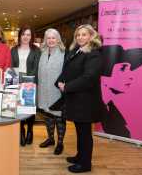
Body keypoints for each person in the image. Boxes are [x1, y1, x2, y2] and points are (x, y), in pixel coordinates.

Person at [50, 24, 103, 173]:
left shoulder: (94, 53)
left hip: (86, 101)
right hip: (77, 99)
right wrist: (60, 82)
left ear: (91, 36)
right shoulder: (77, 50)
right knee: (80, 131)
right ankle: (80, 156)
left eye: (84, 34)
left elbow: (89, 78)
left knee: (85, 134)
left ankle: (85, 164)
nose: (80, 37)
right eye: (78, 35)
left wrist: (67, 87)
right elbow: (68, 70)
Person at [11, 25, 41, 146]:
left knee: (29, 108)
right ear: (20, 36)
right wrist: (16, 80)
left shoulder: (36, 50)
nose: (26, 37)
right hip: (16, 82)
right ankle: (21, 130)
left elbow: (36, 67)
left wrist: (27, 81)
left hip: (30, 83)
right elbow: (11, 65)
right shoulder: (13, 49)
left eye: (28, 34)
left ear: (31, 36)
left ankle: (30, 130)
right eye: (23, 34)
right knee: (19, 108)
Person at [37, 28, 66, 155]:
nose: (51, 40)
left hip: (57, 91)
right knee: (47, 116)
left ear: (58, 39)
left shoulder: (64, 53)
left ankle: (60, 143)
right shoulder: (42, 52)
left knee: (59, 117)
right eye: (48, 38)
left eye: (53, 38)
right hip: (44, 89)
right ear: (45, 40)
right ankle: (50, 139)